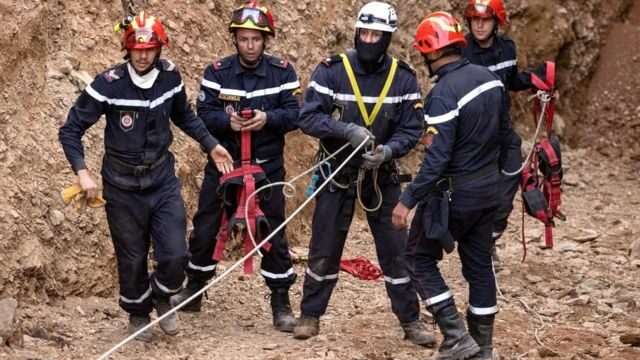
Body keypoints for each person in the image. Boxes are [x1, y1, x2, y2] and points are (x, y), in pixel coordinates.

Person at [58, 11, 233, 342]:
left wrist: (211, 145)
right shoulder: (107, 84)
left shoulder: (170, 78)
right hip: (121, 187)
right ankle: (138, 314)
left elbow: (185, 116)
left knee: (175, 254)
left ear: (159, 49)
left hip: (162, 181)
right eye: (136, 48)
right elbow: (71, 130)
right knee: (132, 256)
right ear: (126, 49)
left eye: (149, 48)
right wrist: (82, 173)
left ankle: (162, 296)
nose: (142, 55)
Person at [292, 1, 435, 347]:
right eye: (365, 33)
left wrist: (388, 150)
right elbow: (308, 117)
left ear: (387, 38)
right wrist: (345, 131)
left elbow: (412, 127)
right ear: (357, 33)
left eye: (377, 35)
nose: (369, 40)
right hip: (337, 171)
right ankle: (310, 315)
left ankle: (411, 321)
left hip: (380, 174)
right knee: (324, 246)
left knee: (395, 250)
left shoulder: (402, 78)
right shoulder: (332, 71)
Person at [169, 1, 301, 333]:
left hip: (266, 166)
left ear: (266, 39)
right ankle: (195, 288)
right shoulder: (216, 73)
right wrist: (229, 122)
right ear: (235, 39)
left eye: (256, 39)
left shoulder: (283, 72)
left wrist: (267, 119)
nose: (250, 45)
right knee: (206, 224)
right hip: (225, 164)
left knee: (271, 230)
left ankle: (280, 300)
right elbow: (204, 115)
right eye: (244, 39)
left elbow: (296, 114)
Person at [392, 11, 514, 360]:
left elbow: (436, 160)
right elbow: (508, 137)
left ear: (431, 52)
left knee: (417, 258)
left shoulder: (443, 94)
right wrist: (503, 185)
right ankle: (483, 349)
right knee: (479, 267)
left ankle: (455, 334)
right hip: (489, 191)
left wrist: (408, 199)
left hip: (455, 195)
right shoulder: (490, 79)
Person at [461, 0, 539, 270]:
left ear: (497, 22)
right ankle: (468, 247)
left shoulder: (508, 48)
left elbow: (510, 81)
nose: (479, 24)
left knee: (506, 189)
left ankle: (487, 243)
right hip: (470, 134)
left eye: (486, 19)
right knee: (472, 193)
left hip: (502, 130)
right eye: (475, 19)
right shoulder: (460, 51)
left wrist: (534, 79)